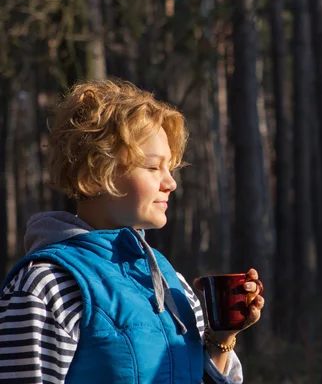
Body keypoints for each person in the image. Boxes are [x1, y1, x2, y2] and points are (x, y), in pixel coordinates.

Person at [0, 79, 264, 383]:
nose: (171, 183)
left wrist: (221, 339)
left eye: (170, 168)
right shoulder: (46, 285)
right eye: (153, 167)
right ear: (95, 172)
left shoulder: (172, 283)